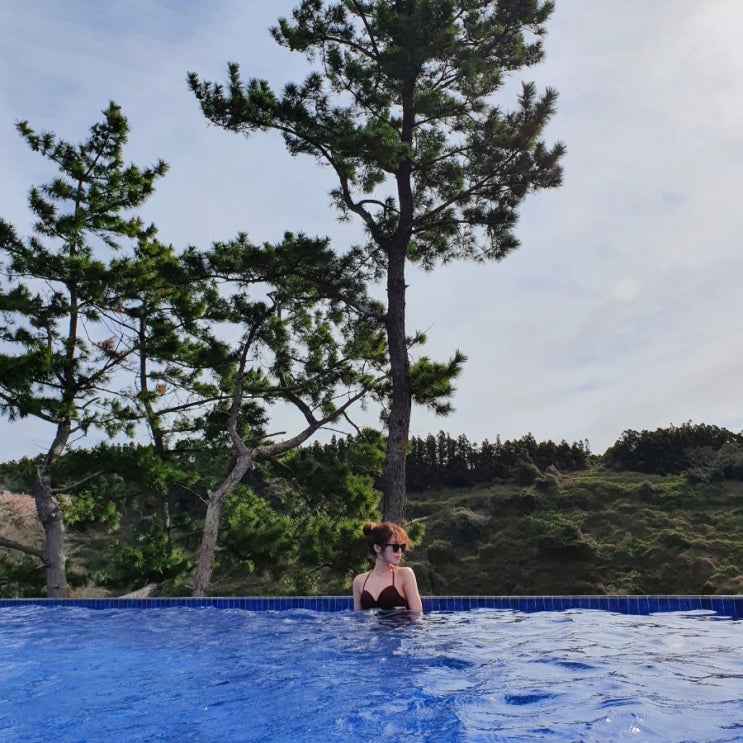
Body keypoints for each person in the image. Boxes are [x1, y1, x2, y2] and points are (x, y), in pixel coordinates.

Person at [352, 521, 423, 612]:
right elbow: (358, 617)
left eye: (402, 546)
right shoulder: (359, 581)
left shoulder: (404, 574)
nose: (400, 551)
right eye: (395, 546)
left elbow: (417, 614)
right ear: (377, 548)